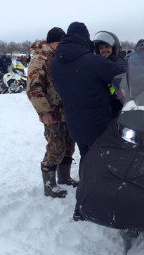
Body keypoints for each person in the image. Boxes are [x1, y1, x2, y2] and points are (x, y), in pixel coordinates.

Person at [51, 22, 124, 174]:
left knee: (85, 156)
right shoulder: (92, 61)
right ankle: (96, 191)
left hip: (74, 122)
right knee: (99, 160)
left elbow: (60, 88)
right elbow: (121, 75)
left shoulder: (56, 63)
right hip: (97, 123)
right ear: (84, 37)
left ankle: (84, 188)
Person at [27, 27, 77, 199]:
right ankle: (49, 185)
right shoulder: (40, 59)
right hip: (52, 113)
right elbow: (34, 89)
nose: (62, 46)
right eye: (59, 43)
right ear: (51, 42)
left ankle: (64, 178)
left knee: (69, 147)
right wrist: (44, 111)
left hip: (67, 112)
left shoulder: (60, 58)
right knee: (56, 148)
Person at [93, 31, 127, 118]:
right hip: (103, 107)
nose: (104, 50)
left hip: (117, 107)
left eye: (107, 47)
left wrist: (117, 93)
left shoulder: (119, 64)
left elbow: (124, 81)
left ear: (114, 48)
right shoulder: (98, 64)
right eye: (101, 48)